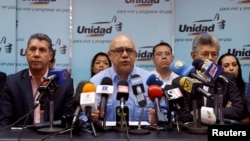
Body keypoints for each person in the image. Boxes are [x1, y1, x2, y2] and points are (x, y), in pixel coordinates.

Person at [0, 33, 74, 126]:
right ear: (26, 53)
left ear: (50, 56)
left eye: (42, 50)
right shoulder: (12, 82)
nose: (36, 54)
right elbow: (4, 123)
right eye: (32, 49)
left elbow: (68, 123)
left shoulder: (65, 84)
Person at [179, 33, 245, 123]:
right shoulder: (184, 79)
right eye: (205, 54)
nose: (210, 58)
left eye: (214, 54)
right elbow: (184, 116)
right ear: (193, 56)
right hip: (191, 132)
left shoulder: (226, 78)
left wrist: (202, 113)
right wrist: (222, 110)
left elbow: (238, 111)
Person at [88, 34, 153, 123]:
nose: (125, 55)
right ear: (110, 55)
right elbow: (82, 116)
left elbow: (166, 113)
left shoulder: (149, 80)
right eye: (119, 50)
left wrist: (157, 118)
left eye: (129, 50)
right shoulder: (95, 82)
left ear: (135, 54)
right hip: (105, 136)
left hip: (143, 135)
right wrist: (91, 118)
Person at [148, 41, 179, 124]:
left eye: (167, 54)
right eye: (159, 54)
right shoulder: (147, 78)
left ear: (172, 58)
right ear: (153, 59)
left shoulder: (179, 79)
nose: (164, 57)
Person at [217, 52, 250, 124]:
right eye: (226, 66)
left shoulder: (247, 88)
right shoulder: (215, 90)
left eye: (234, 65)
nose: (231, 68)